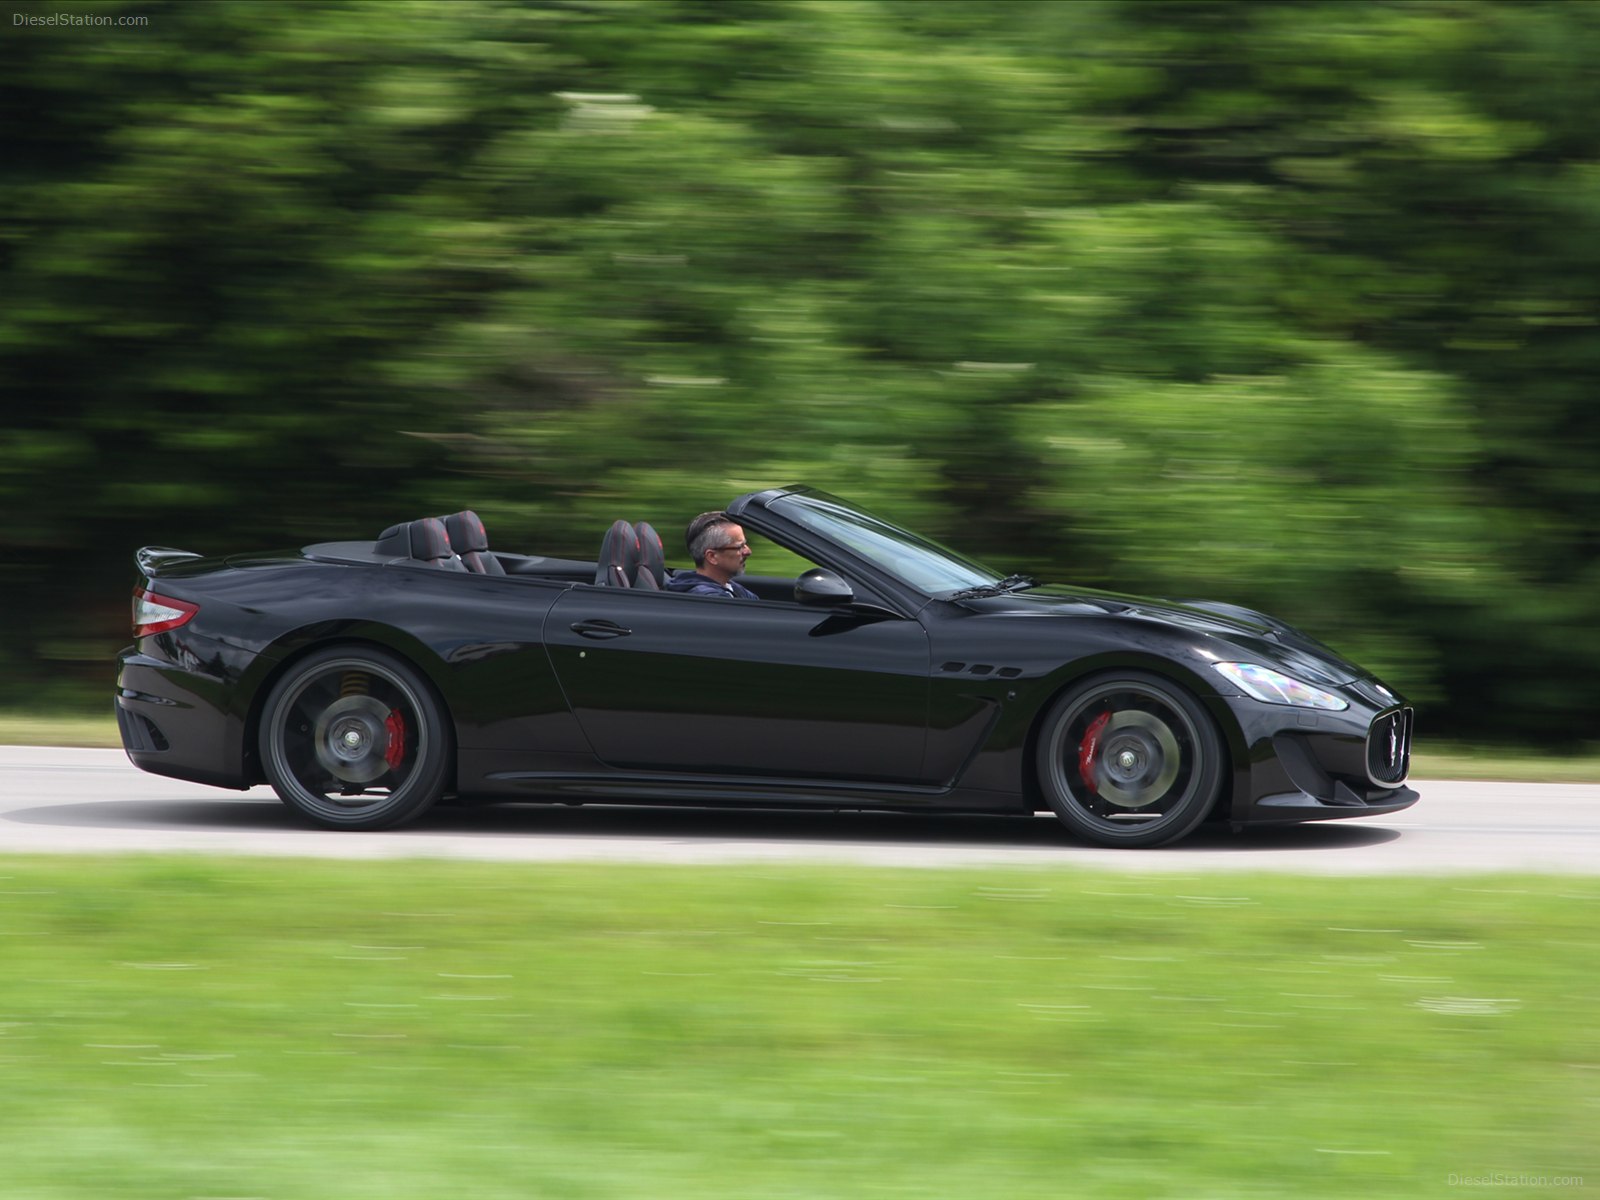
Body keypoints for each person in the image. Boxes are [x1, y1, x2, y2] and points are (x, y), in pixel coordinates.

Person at [665, 511, 759, 598]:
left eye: (745, 544)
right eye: (739, 547)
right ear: (712, 556)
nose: (748, 551)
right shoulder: (710, 599)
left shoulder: (730, 587)